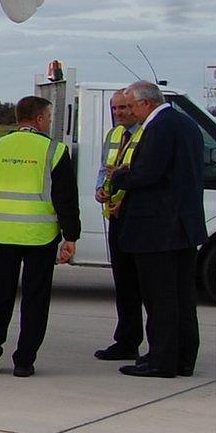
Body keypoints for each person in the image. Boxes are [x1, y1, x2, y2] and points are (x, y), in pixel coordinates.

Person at [0, 95, 79, 377]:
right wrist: (71, 236)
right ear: (41, 119)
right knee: (35, 299)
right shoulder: (54, 151)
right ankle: (24, 360)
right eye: (49, 117)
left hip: (3, 233)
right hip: (40, 237)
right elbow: (66, 199)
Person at [104, 81, 203, 378]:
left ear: (146, 104)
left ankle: (162, 359)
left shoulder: (159, 127)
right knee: (182, 297)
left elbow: (148, 173)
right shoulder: (185, 124)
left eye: (132, 106)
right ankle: (183, 357)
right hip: (182, 225)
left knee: (160, 298)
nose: (130, 111)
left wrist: (120, 177)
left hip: (159, 227)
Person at [93, 87, 146, 360]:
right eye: (114, 109)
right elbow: (105, 168)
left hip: (138, 215)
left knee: (144, 284)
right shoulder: (113, 135)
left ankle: (153, 343)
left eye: (124, 108)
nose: (119, 113)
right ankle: (126, 339)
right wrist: (100, 189)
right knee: (123, 283)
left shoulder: (146, 133)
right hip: (115, 215)